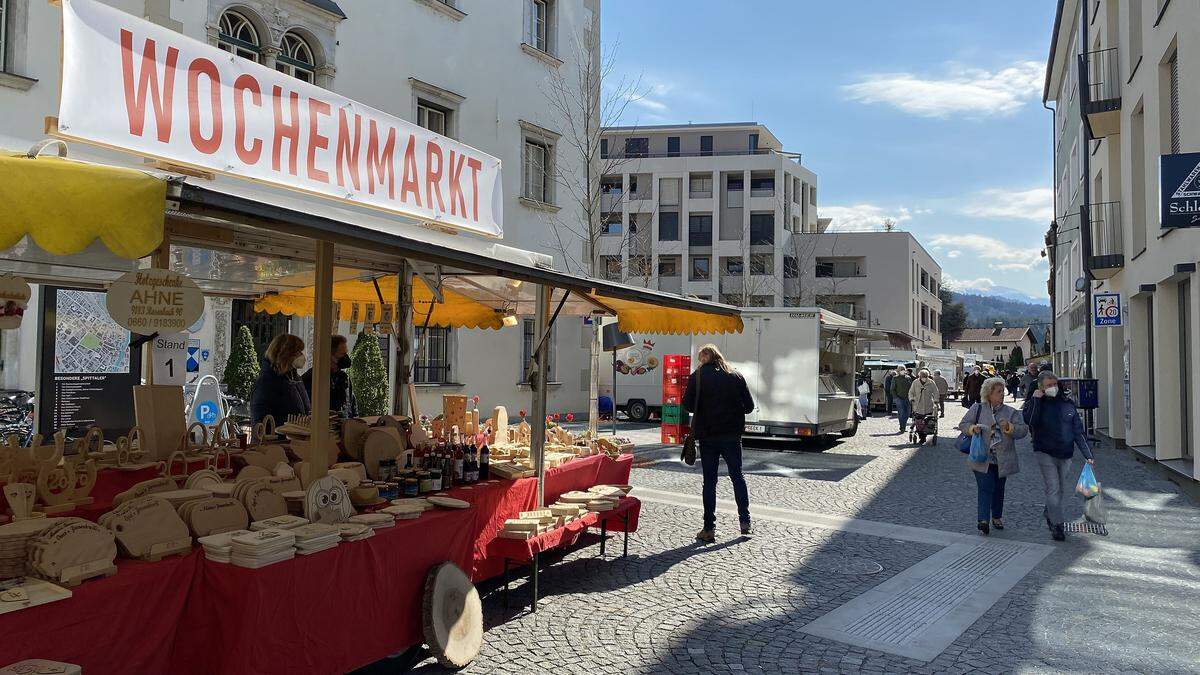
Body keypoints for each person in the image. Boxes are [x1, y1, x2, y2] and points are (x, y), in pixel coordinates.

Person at [683, 344, 755, 543]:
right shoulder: (736, 375)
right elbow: (749, 407)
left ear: (703, 358)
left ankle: (709, 528)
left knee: (710, 482)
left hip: (708, 436)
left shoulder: (696, 377)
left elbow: (687, 405)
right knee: (737, 477)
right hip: (732, 435)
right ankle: (745, 522)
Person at [1022, 370, 1095, 542]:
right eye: (1048, 385)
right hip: (1044, 451)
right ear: (1040, 387)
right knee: (1053, 488)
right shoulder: (1035, 402)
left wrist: (1088, 455)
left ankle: (1050, 510)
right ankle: (1057, 525)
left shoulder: (1067, 404)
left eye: (1054, 384)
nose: (1052, 388)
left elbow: (1078, 432)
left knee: (1060, 489)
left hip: (1065, 453)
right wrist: (1036, 400)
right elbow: (1030, 421)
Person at [960, 377, 1028, 535]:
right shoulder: (977, 408)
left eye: (1003, 392)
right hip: (981, 457)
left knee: (999, 488)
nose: (1002, 395)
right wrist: (972, 428)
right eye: (998, 392)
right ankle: (983, 520)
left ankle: (996, 516)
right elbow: (963, 424)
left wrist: (1009, 427)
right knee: (986, 487)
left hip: (1002, 459)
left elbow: (1023, 431)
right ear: (989, 394)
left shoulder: (1010, 412)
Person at [250, 334, 311, 425]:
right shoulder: (266, 382)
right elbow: (262, 421)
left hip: (296, 437)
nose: (302, 356)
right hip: (279, 438)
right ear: (286, 354)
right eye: (298, 352)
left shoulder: (295, 378)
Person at [302, 334, 357, 418]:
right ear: (329, 355)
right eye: (342, 354)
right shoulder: (312, 378)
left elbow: (351, 404)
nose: (346, 357)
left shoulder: (344, 377)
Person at [909, 369, 940, 441]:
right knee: (919, 422)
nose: (924, 378)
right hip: (918, 406)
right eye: (923, 376)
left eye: (926, 377)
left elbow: (936, 392)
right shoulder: (915, 382)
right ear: (920, 376)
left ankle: (924, 436)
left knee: (927, 422)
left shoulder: (931, 382)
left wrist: (936, 400)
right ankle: (921, 436)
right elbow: (911, 392)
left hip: (928, 405)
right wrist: (911, 399)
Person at [890, 366, 914, 434]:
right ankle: (902, 427)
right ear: (898, 371)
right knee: (901, 412)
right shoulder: (895, 378)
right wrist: (896, 397)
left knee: (908, 412)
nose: (903, 371)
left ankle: (903, 425)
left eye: (903, 369)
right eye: (901, 370)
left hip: (908, 398)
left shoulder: (908, 378)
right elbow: (892, 389)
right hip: (899, 398)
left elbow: (912, 387)